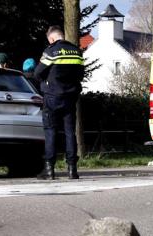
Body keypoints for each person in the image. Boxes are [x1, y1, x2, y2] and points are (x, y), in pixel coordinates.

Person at [34, 25, 85, 180]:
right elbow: (81, 75)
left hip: (52, 96)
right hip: (70, 97)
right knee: (70, 132)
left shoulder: (51, 51)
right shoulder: (77, 52)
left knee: (50, 131)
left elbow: (37, 73)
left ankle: (49, 170)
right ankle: (72, 170)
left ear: (51, 38)